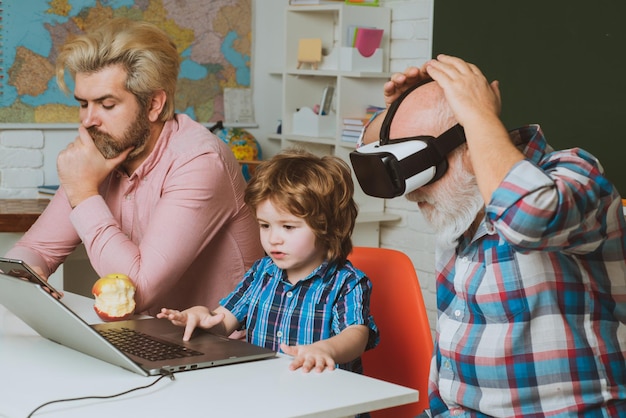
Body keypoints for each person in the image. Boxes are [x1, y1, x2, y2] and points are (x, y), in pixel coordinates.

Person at [359, 54, 626, 416]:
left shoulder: (576, 175)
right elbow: (374, 151)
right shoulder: (462, 207)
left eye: (426, 172)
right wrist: (396, 113)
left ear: (472, 139)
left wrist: (478, 115)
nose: (412, 193)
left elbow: (527, 216)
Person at [4, 18, 264, 316]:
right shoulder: (103, 151)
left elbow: (137, 291)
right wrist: (30, 275)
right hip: (150, 337)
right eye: (83, 104)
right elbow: (35, 251)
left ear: (154, 104)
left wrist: (84, 192)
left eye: (107, 104)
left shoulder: (200, 161)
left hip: (225, 347)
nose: (88, 120)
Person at [158, 149, 379, 373]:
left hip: (324, 398)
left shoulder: (347, 282)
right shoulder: (261, 272)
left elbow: (356, 335)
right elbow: (223, 323)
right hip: (265, 392)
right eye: (265, 225)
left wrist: (326, 349)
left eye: (288, 227)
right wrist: (204, 317)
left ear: (328, 227)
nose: (273, 239)